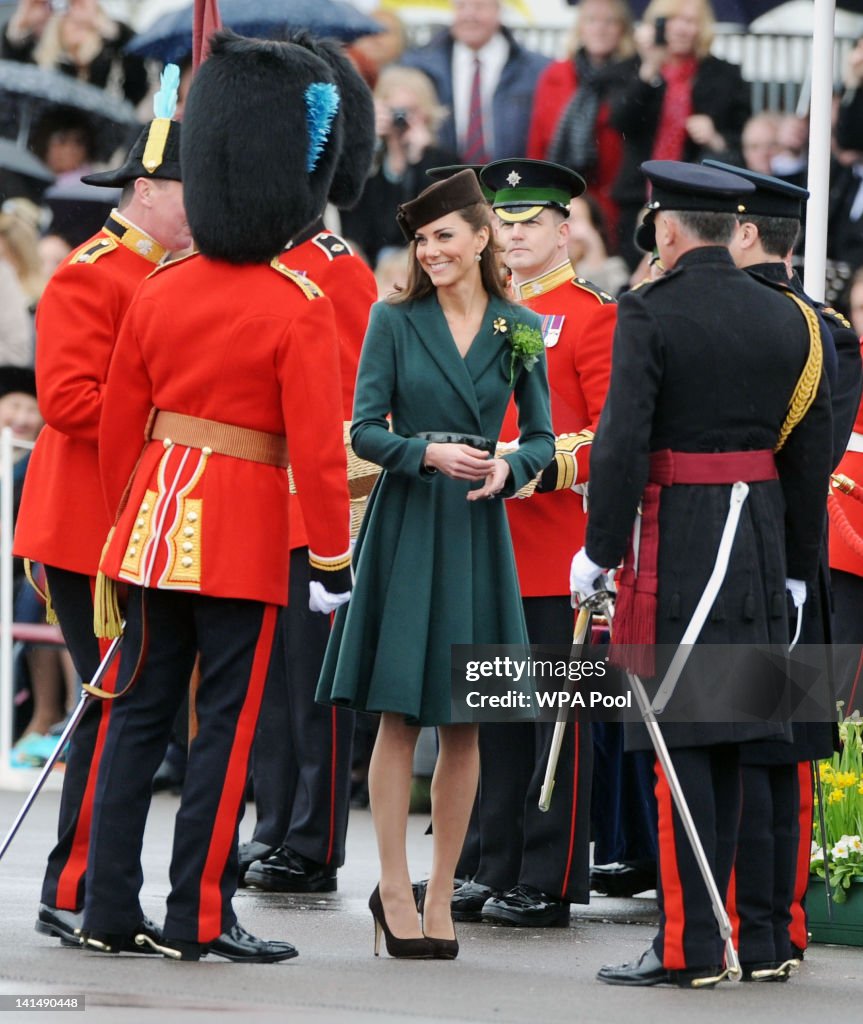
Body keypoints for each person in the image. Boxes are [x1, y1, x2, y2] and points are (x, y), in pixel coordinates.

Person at [78, 30, 356, 964]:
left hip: (153, 523)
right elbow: (317, 451)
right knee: (225, 734)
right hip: (239, 535)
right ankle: (198, 914)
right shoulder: (297, 302)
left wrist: (129, 514)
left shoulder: (158, 288)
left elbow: (123, 427)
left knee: (137, 718)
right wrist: (331, 556)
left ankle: (108, 908)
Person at [570, 160, 833, 987]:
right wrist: (794, 565)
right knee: (743, 735)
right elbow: (805, 458)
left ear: (668, 230)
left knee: (682, 740)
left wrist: (598, 550)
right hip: (760, 540)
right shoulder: (788, 319)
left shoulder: (647, 311)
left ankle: (689, 945)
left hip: (681, 534)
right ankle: (750, 940)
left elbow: (619, 443)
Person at [317, 169, 555, 959]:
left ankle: (443, 888)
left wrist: (508, 470)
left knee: (465, 722)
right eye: (421, 240)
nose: (431, 251)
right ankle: (392, 889)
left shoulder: (519, 327)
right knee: (397, 711)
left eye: (444, 236)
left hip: (479, 530)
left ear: (482, 238)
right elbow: (362, 431)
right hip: (410, 523)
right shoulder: (393, 319)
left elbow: (547, 440)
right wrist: (425, 451)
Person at [12, 83, 189, 950]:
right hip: (86, 524)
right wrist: (176, 419)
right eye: (192, 194)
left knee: (124, 708)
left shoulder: (164, 272)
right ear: (148, 191)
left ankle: (81, 882)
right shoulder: (93, 272)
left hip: (134, 519)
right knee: (115, 706)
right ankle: (75, 886)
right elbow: (71, 402)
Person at [440, 158, 614, 929]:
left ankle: (546, 878)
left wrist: (521, 464)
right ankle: (487, 863)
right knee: (489, 716)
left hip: (551, 543)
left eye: (528, 223)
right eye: (502, 224)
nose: (513, 236)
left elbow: (609, 433)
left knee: (549, 722)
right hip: (480, 539)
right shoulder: (472, 309)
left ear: (564, 227)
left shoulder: (593, 314)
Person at [713, 162, 861, 975]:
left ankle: (776, 925)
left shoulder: (819, 330)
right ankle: (749, 923)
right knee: (737, 747)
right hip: (745, 557)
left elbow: (804, 460)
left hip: (784, 561)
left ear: (743, 233)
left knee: (776, 755)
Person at [239, 36, 378, 894]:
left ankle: (311, 837)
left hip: (320, 507)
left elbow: (356, 408)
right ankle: (271, 820)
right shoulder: (262, 266)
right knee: (262, 689)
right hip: (255, 503)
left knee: (314, 690)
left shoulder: (337, 270)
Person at [609, 0, 750, 269]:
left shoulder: (724, 75)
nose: (683, 29)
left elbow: (742, 138)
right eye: (673, 20)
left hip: (696, 200)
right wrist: (649, 69)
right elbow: (620, 122)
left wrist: (714, 137)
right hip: (636, 195)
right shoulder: (633, 67)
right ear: (657, 25)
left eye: (691, 21)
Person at [527, 0, 635, 245]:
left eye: (610, 21)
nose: (600, 28)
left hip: (612, 200)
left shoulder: (633, 77)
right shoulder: (555, 75)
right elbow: (537, 144)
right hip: (560, 194)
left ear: (623, 30)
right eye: (592, 20)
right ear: (580, 28)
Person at [400, 0, 549, 165]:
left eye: (479, 6)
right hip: (443, 181)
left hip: (511, 184)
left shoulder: (536, 70)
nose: (469, 15)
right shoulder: (421, 67)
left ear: (499, 11)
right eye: (461, 6)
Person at [340, 65, 458, 267]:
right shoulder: (364, 159)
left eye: (410, 111)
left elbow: (439, 221)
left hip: (424, 266)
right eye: (395, 111)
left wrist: (422, 160)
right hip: (371, 264)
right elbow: (351, 217)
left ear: (427, 113)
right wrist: (369, 142)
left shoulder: (444, 162)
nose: (401, 119)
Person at [2, 0, 148, 105]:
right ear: (57, 27)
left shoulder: (113, 59)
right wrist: (20, 23)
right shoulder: (43, 65)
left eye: (84, 24)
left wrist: (103, 23)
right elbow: (12, 75)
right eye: (69, 18)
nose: (77, 22)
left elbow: (138, 79)